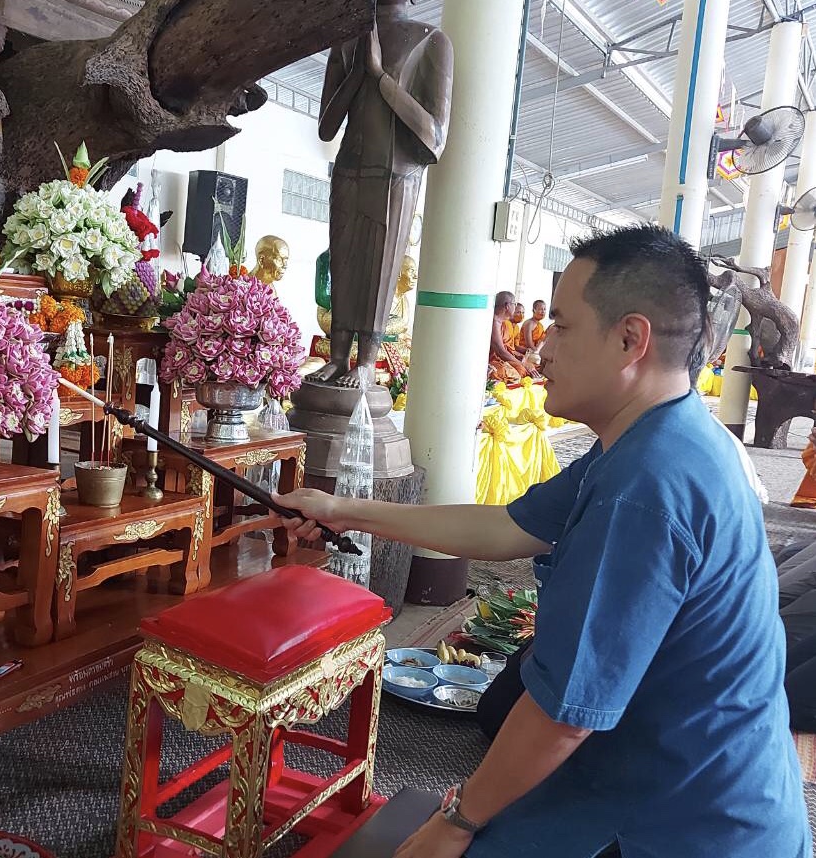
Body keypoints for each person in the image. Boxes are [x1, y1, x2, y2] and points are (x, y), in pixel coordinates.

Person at [274, 224, 810, 858]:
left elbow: (564, 713)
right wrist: (342, 510)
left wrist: (456, 822)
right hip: (653, 773)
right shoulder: (659, 436)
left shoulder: (646, 487)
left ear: (630, 339)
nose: (542, 349)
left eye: (561, 325)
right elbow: (507, 526)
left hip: (683, 823)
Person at [307, 0, 453, 389]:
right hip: (348, 166)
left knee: (380, 266)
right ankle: (338, 356)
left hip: (396, 173)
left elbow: (435, 137)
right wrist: (357, 72)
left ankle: (367, 361)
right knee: (344, 262)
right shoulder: (347, 41)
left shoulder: (431, 40)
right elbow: (326, 127)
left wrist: (380, 77)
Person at [488, 291, 534, 382]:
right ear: (507, 306)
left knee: (526, 367)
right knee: (520, 369)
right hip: (490, 361)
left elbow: (508, 348)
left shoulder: (503, 323)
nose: (515, 307)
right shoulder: (494, 322)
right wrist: (522, 364)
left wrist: (518, 357)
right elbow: (500, 351)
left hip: (501, 359)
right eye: (514, 304)